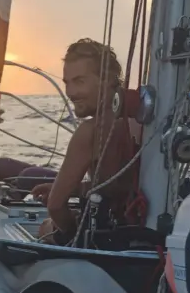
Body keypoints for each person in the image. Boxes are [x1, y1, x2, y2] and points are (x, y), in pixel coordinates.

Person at [31, 38, 142, 245]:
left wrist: (71, 234)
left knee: (44, 226)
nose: (71, 93)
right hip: (140, 232)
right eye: (67, 83)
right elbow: (119, 185)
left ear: (107, 79)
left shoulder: (91, 131)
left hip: (109, 238)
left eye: (80, 81)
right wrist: (77, 189)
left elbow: (55, 207)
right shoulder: (141, 121)